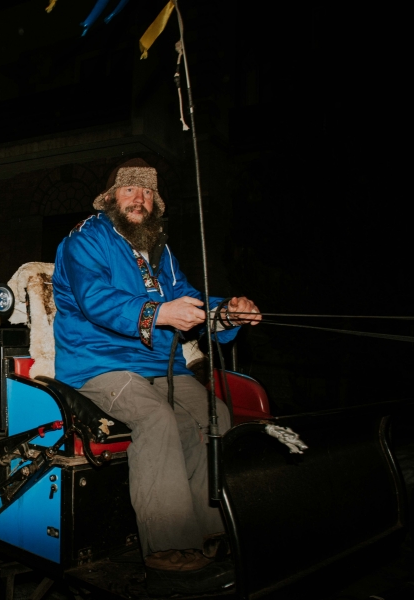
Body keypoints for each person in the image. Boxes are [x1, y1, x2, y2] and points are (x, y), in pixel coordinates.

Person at [52, 158, 261, 597]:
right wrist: (159, 312)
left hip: (156, 364)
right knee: (158, 421)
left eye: (147, 192)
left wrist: (225, 311)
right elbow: (95, 299)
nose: (139, 199)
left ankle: (209, 532)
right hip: (97, 363)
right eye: (130, 189)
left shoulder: (160, 252)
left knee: (215, 415)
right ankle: (166, 550)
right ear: (110, 197)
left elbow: (187, 297)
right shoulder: (84, 239)